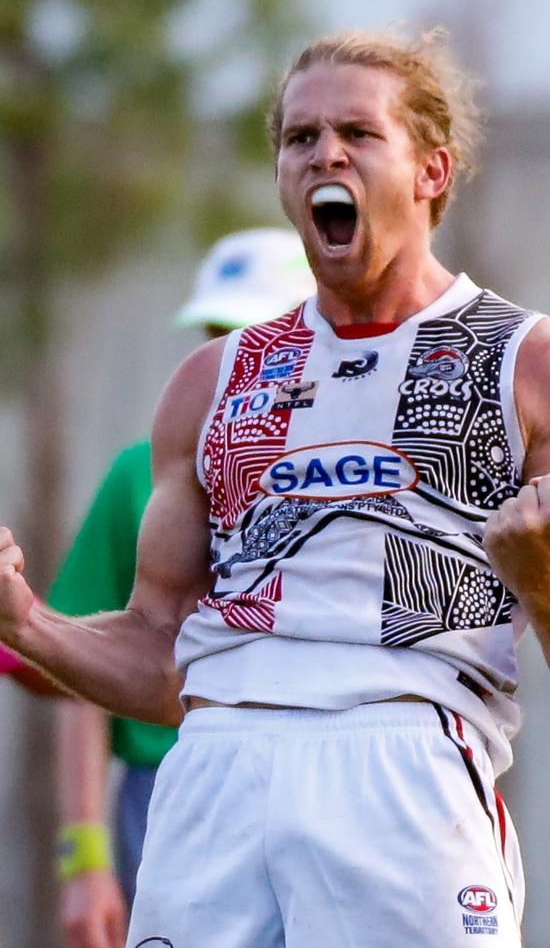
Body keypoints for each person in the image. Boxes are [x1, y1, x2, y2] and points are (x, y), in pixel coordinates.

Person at [0, 29, 550, 948]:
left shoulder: (531, 366)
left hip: (406, 766)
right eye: (300, 139)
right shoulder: (215, 382)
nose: (323, 154)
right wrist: (27, 623)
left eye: (356, 132)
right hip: (217, 770)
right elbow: (160, 658)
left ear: (432, 171)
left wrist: (546, 583)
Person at [49, 228, 315, 948]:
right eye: (217, 331)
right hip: (166, 793)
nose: (233, 352)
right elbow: (81, 676)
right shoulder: (141, 475)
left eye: (254, 329)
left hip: (325, 783)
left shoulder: (357, 470)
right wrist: (86, 857)